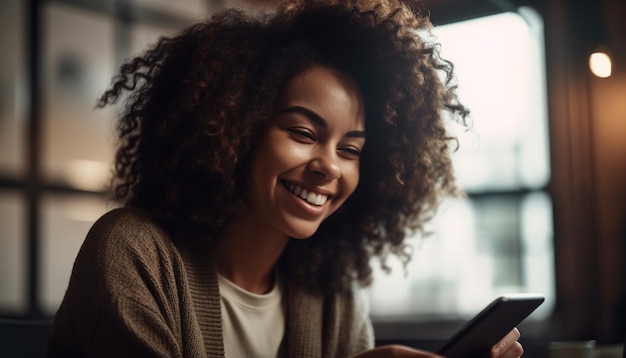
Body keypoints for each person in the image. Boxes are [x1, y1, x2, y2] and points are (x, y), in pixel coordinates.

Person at [47, 0, 525, 357]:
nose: (329, 166)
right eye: (302, 132)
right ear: (234, 127)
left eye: (351, 150)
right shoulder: (132, 252)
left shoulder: (334, 295)